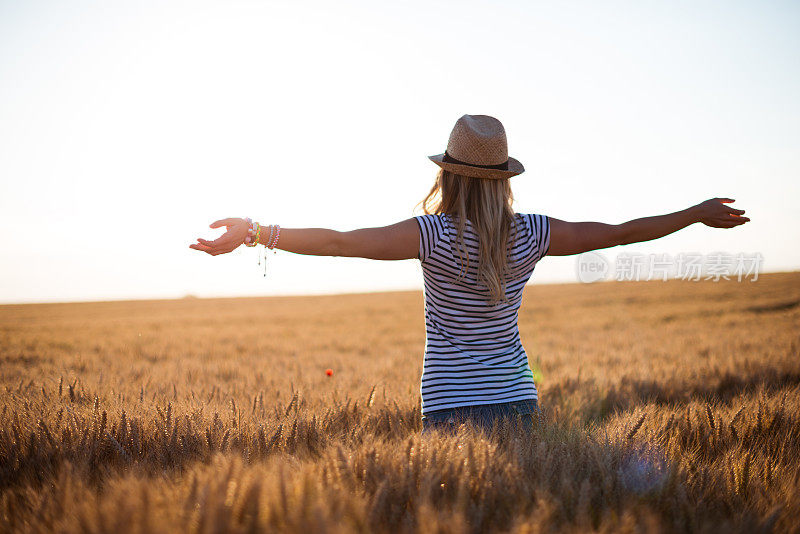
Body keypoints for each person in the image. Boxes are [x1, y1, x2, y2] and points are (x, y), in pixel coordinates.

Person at [189, 114, 750, 436]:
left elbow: (343, 243)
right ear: (503, 179)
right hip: (516, 399)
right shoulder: (532, 233)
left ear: (449, 176)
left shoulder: (432, 235)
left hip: (449, 402)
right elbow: (623, 230)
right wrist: (695, 214)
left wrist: (258, 231)